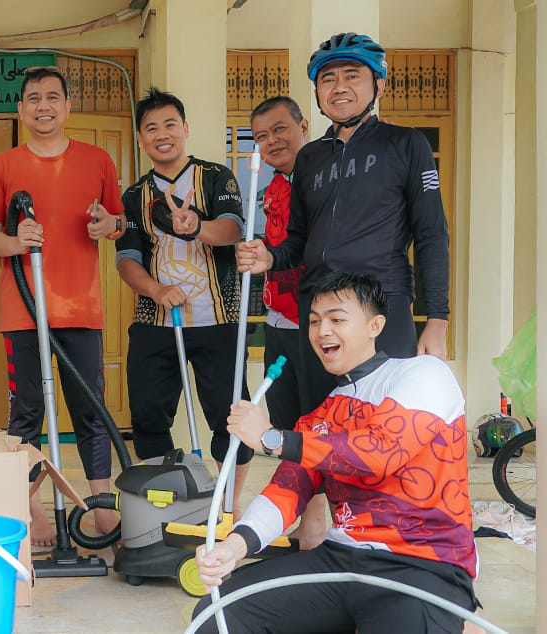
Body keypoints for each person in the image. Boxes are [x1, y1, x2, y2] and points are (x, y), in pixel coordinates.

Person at [192, 272, 477, 634]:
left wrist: (272, 438)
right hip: (339, 560)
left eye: (337, 319)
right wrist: (232, 548)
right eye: (314, 321)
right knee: (215, 615)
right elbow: (286, 491)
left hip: (421, 564)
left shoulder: (423, 374)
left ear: (375, 326)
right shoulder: (320, 416)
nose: (322, 331)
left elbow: (380, 452)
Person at [236, 32, 451, 412]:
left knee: (383, 424)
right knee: (320, 422)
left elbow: (431, 234)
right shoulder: (310, 158)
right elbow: (299, 239)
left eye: (352, 75)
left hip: (382, 306)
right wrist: (269, 257)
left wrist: (437, 320)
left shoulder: (407, 144)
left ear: (378, 85)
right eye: (328, 79)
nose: (339, 87)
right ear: (317, 93)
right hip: (320, 309)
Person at [0, 66, 126, 546]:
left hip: (82, 309)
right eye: (34, 98)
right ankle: (32, 507)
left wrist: (109, 225)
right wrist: (16, 241)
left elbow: (118, 221)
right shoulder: (2, 166)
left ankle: (101, 506)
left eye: (53, 97)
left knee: (91, 410)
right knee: (27, 413)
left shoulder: (98, 160)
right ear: (21, 109)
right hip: (23, 311)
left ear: (67, 105)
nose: (44, 106)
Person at [115, 87, 251, 507]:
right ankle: (166, 505)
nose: (162, 134)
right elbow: (127, 260)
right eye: (151, 128)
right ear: (141, 139)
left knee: (231, 419)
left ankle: (227, 508)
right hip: (156, 323)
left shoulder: (216, 177)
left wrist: (195, 227)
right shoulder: (134, 196)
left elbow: (232, 230)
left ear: (186, 129)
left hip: (219, 320)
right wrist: (155, 290)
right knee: (148, 418)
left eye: (170, 124)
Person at [249, 95, 329, 547]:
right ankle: (310, 522)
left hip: (316, 325)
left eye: (280, 129)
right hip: (279, 320)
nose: (272, 141)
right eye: (262, 136)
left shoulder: (322, 180)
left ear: (303, 126)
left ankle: (328, 525)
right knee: (289, 425)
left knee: (320, 426)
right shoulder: (274, 186)